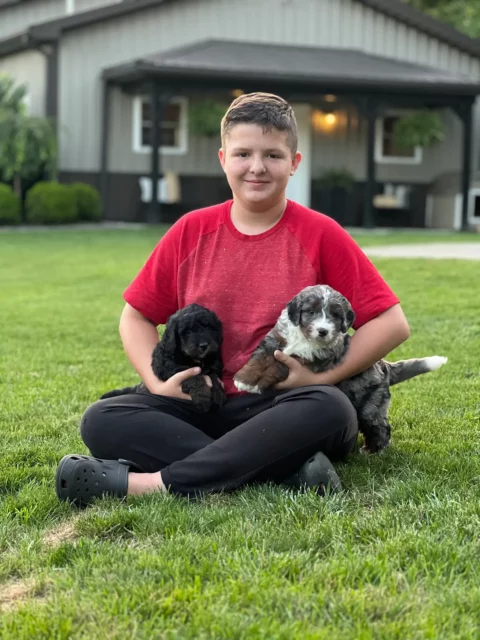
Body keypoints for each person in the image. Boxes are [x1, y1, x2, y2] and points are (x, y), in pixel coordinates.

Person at [55, 92, 409, 506]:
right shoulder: (191, 230)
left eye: (273, 156)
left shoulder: (321, 233)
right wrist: (156, 384)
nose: (257, 167)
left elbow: (391, 322)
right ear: (223, 158)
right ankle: (285, 470)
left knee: (329, 408)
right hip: (200, 404)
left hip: (283, 406)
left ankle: (149, 484)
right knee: (103, 418)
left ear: (294, 163)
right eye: (243, 154)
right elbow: (135, 317)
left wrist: (320, 378)